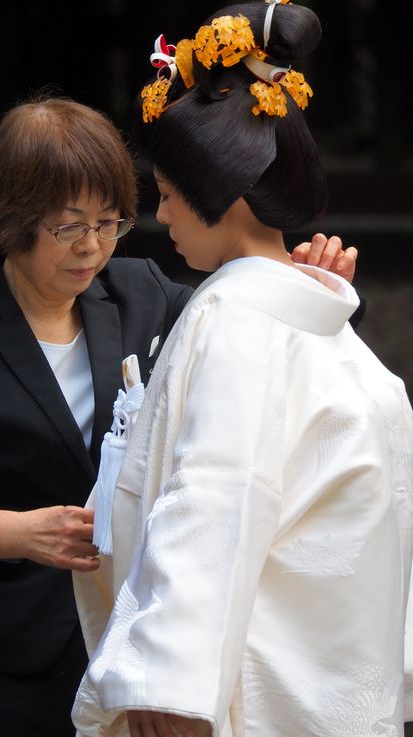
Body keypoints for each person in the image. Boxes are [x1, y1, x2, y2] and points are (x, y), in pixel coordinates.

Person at [0, 94, 357, 736]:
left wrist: (314, 289)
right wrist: (14, 533)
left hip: (130, 640)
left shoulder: (142, 291)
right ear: (13, 218)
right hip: (3, 656)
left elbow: (251, 328)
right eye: (69, 227)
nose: (92, 248)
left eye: (110, 223)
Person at [71, 3, 413, 737]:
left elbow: (219, 496)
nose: (162, 217)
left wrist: (169, 683)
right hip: (335, 681)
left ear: (218, 191)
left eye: (164, 195)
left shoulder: (233, 321)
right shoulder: (336, 337)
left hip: (250, 693)